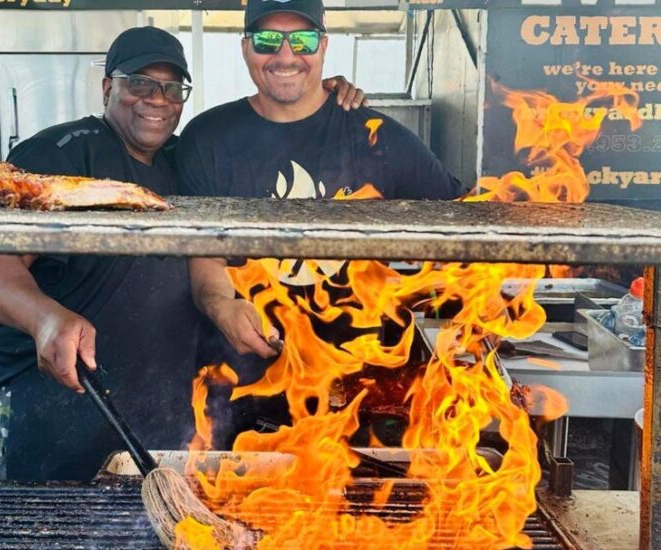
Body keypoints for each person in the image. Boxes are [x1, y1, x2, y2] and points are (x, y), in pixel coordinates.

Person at [0, 25, 367, 481]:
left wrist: (323, 99)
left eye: (172, 88)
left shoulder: (185, 161)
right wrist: (46, 318)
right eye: (139, 83)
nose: (157, 99)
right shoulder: (58, 155)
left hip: (153, 410)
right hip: (48, 403)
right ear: (107, 87)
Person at [176, 0, 467, 446]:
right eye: (269, 39)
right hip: (245, 389)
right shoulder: (208, 139)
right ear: (245, 48)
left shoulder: (377, 135)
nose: (287, 55)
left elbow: (462, 224)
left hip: (360, 390)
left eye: (304, 39)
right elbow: (203, 254)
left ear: (325, 46)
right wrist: (221, 306)